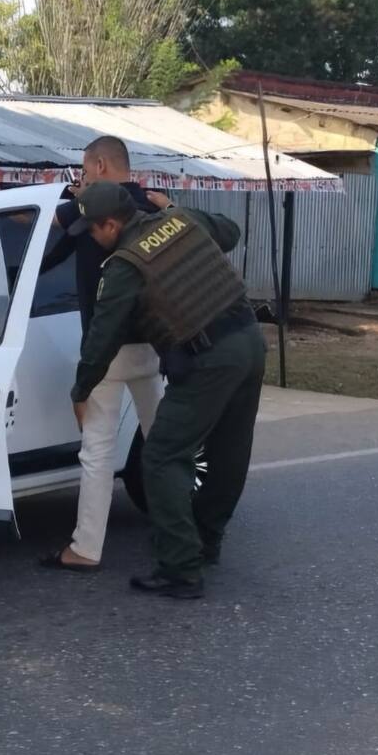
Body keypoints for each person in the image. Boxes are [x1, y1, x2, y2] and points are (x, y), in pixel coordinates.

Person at [70, 182, 265, 599]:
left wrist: (80, 390)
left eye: (91, 230)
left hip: (208, 358)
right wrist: (174, 206)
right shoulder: (180, 219)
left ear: (110, 224)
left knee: (160, 456)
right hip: (249, 340)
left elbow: (102, 338)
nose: (90, 238)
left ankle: (180, 568)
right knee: (227, 452)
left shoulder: (124, 265)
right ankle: (206, 543)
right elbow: (230, 232)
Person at [29, 136, 167, 572]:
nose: (83, 177)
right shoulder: (153, 204)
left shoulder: (92, 207)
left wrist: (1, 197)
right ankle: (183, 532)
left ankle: (86, 548)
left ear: (101, 165)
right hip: (153, 344)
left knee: (98, 451)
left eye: (86, 169)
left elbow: (38, 221)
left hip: (107, 347)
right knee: (164, 446)